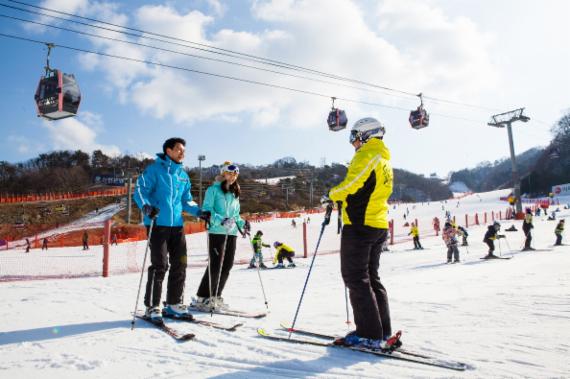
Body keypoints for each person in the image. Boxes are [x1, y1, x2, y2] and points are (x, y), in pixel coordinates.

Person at [325, 117, 395, 350]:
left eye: (354, 136)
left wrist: (332, 194)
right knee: (370, 277)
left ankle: (369, 334)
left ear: (366, 135)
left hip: (360, 225)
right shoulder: (384, 159)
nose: (352, 142)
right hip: (377, 224)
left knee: (355, 278)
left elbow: (351, 184)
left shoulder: (367, 156)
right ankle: (382, 331)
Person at [133, 137, 204, 321]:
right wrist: (146, 206)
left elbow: (186, 200)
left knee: (180, 263)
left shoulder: (183, 175)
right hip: (157, 225)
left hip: (177, 226)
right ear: (168, 151)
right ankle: (152, 306)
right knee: (160, 265)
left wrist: (199, 211)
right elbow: (140, 190)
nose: (183, 152)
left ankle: (173, 304)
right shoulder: (154, 170)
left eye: (184, 150)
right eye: (179, 149)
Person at [192, 161, 246, 312]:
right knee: (216, 265)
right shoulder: (213, 190)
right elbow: (207, 210)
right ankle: (203, 297)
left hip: (232, 232)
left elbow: (236, 215)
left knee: (227, 265)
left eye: (235, 174)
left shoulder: (235, 192)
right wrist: (221, 220)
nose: (232, 176)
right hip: (217, 231)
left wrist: (243, 224)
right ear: (223, 173)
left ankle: (215, 296)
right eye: (229, 173)